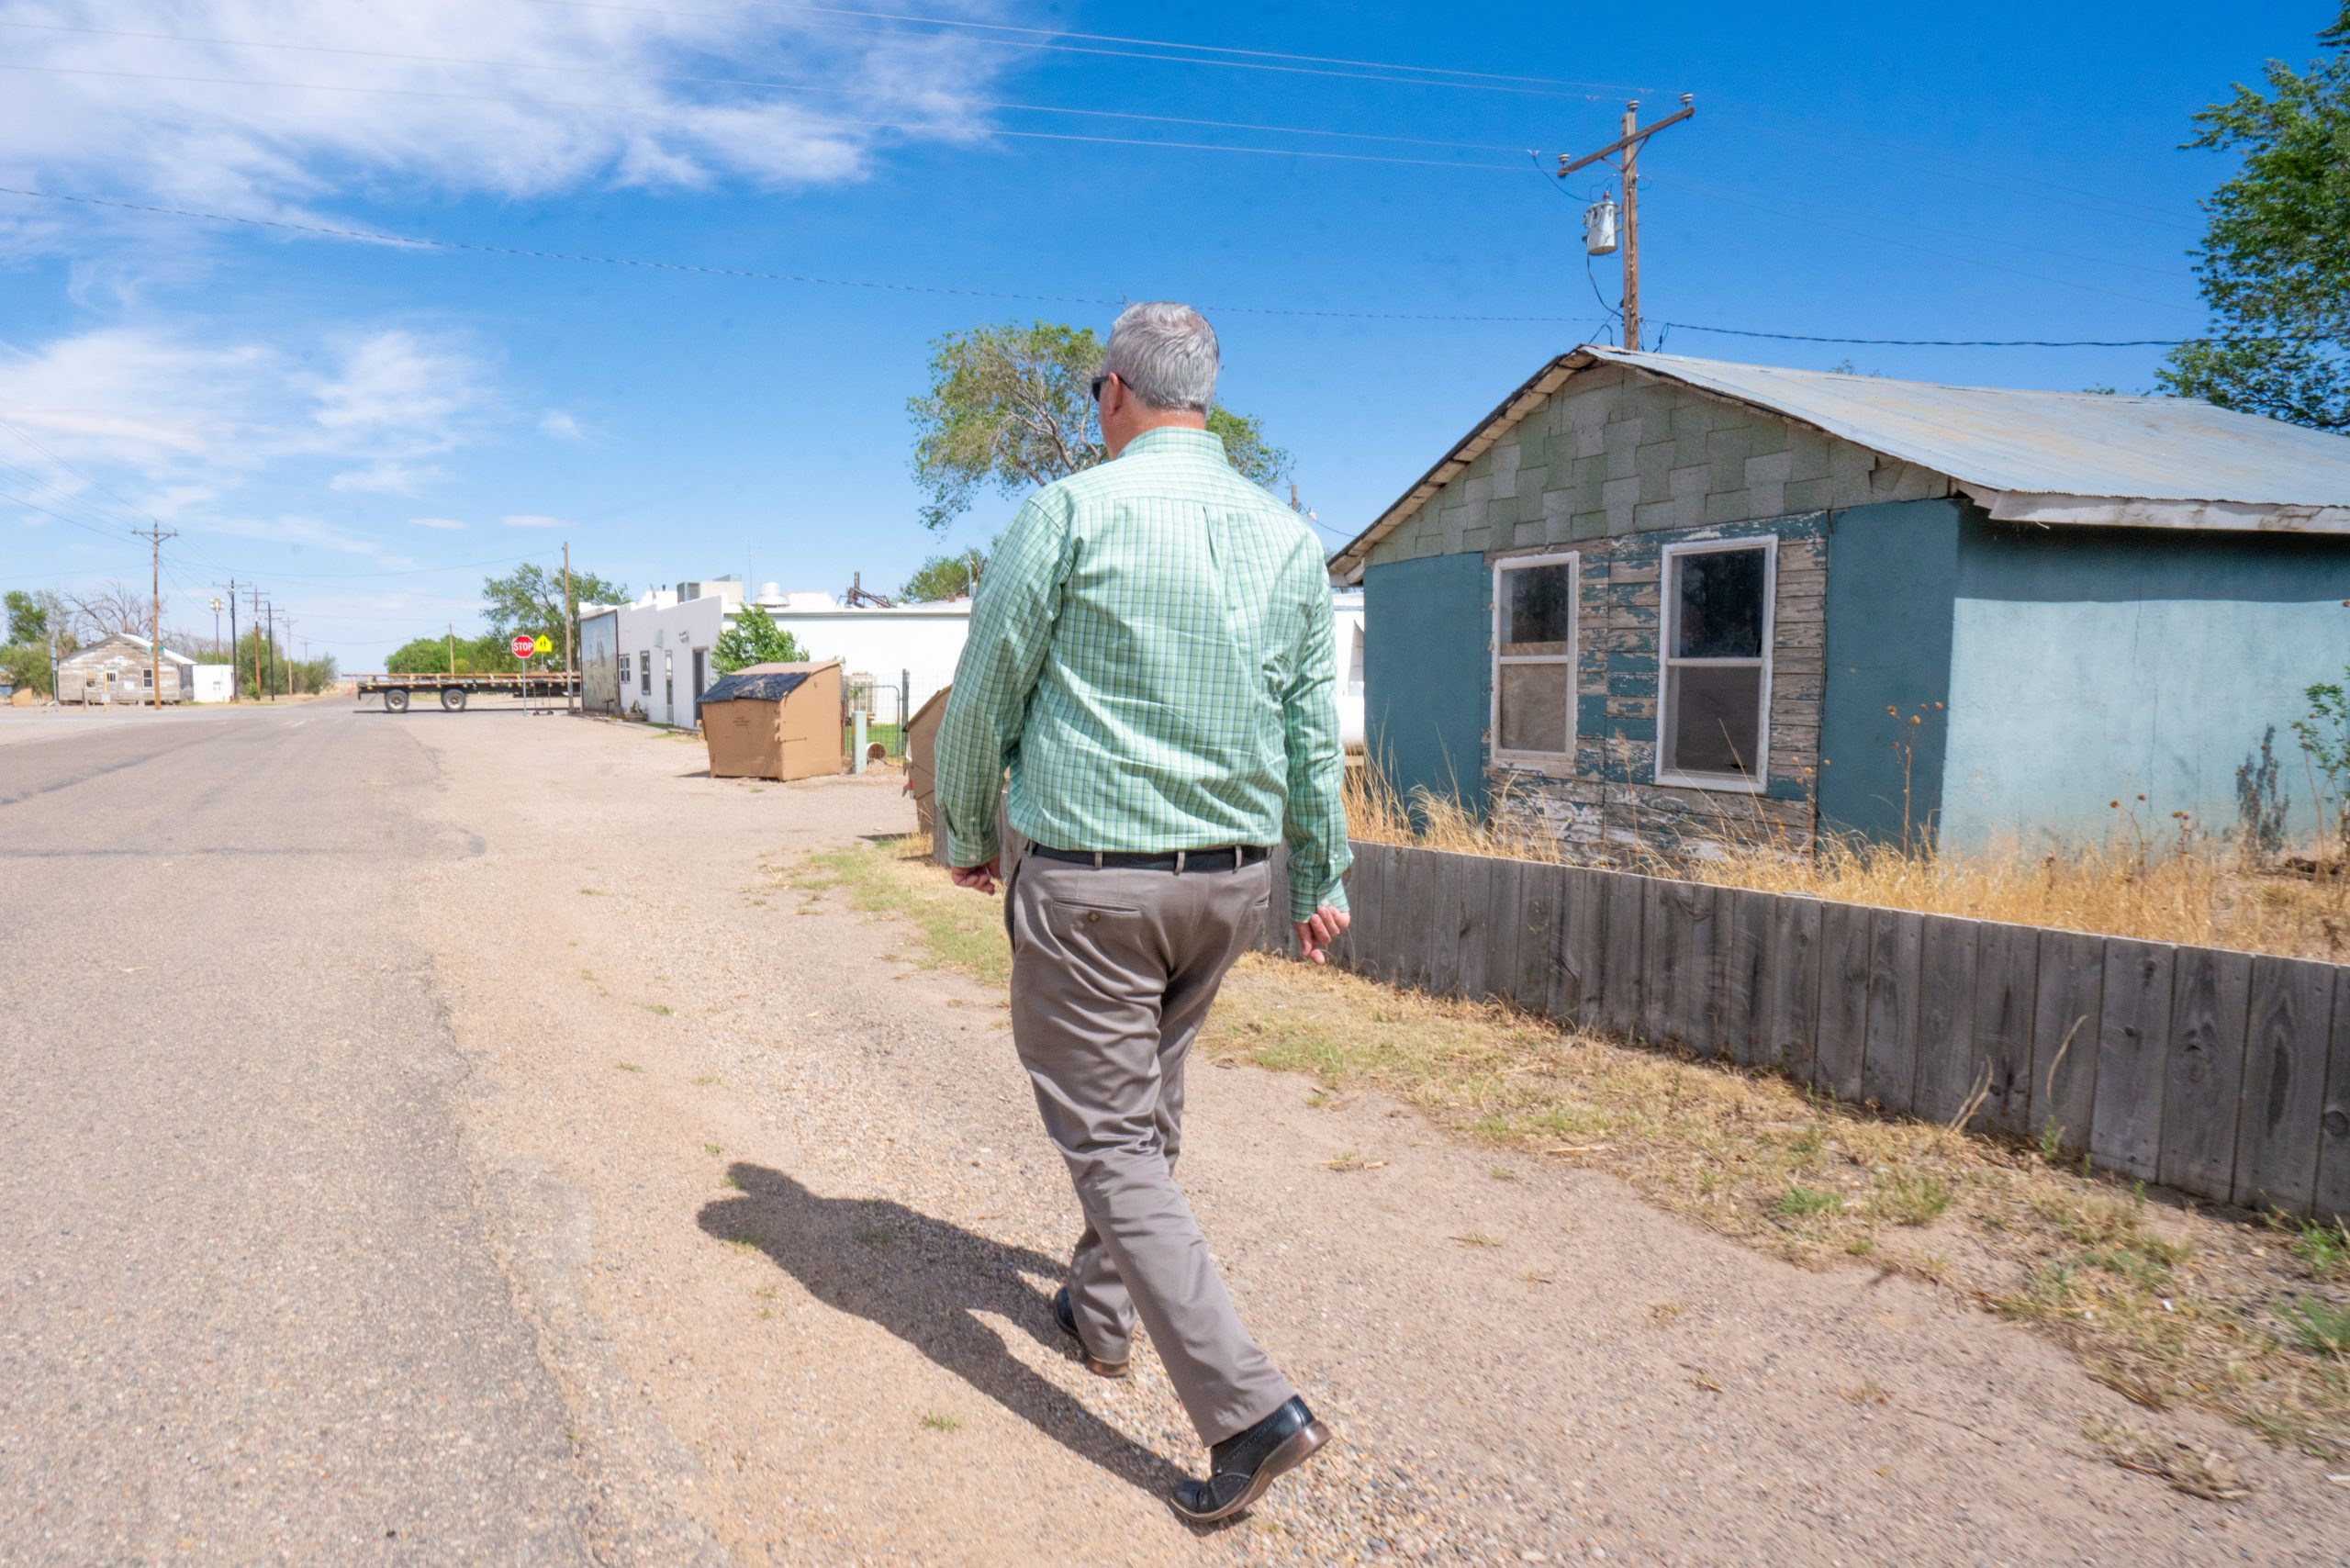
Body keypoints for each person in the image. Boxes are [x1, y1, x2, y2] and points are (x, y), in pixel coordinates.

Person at [934, 300, 1351, 1523]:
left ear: (1116, 391)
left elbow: (988, 688)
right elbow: (1309, 739)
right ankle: (1103, 1314)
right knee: (1150, 1100)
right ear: (1204, 398)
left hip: (1096, 882)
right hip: (1230, 882)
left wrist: (965, 831)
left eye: (1095, 392)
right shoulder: (1285, 538)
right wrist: (1319, 878)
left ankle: (1249, 1412)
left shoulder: (1069, 512)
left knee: (1111, 1135)